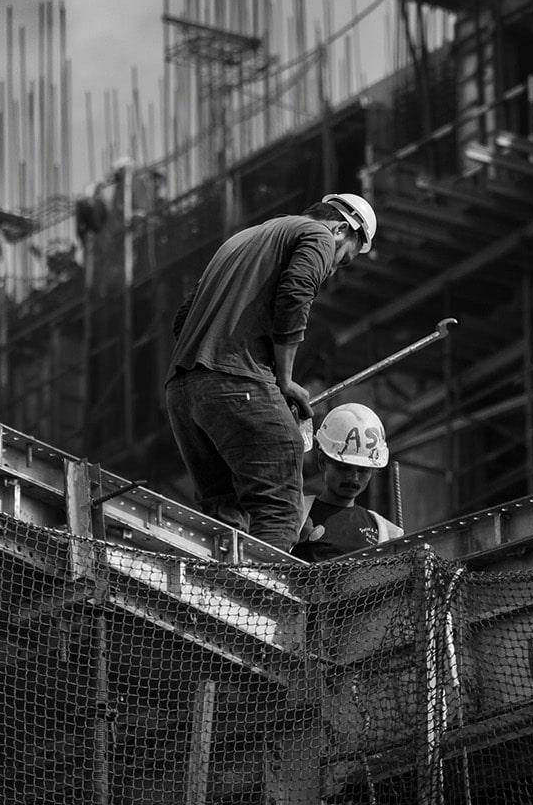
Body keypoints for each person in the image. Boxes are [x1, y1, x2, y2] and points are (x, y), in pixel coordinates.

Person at [165, 192, 378, 552]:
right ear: (343, 228)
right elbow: (295, 295)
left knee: (224, 512)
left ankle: (224, 597)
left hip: (183, 391)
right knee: (279, 507)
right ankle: (264, 604)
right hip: (235, 379)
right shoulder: (319, 235)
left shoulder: (238, 242)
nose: (334, 268)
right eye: (343, 260)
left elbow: (183, 320)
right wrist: (284, 381)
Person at [294, 402, 403, 562]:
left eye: (363, 470)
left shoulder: (384, 533)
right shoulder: (296, 515)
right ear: (323, 461)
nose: (354, 478)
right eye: (344, 468)